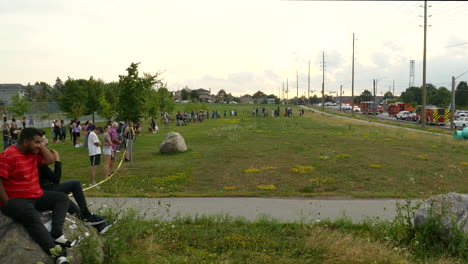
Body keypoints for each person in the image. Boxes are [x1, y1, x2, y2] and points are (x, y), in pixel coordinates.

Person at [0, 128, 71, 264]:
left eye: (41, 142)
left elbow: (50, 160)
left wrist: (40, 145)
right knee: (31, 215)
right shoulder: (8, 155)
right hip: (15, 200)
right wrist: (6, 203)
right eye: (37, 142)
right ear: (26, 141)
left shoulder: (33, 152)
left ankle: (56, 232)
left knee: (61, 197)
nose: (40, 145)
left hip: (36, 195)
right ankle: (56, 254)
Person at [38, 142, 111, 235]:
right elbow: (56, 179)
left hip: (47, 189)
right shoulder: (39, 162)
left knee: (67, 201)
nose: (48, 146)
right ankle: (88, 215)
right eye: (45, 145)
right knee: (74, 184)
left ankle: (99, 226)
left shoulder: (40, 160)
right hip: (45, 190)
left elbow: (54, 179)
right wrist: (57, 160)